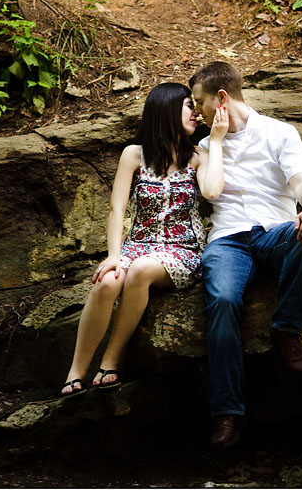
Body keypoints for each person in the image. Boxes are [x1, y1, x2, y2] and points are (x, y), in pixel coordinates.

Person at [60, 82, 228, 397]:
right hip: (137, 246)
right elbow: (116, 207)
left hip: (183, 251)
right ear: (166, 109)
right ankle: (76, 371)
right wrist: (113, 255)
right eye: (188, 106)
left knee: (139, 271)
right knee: (108, 281)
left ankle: (111, 361)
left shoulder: (198, 157)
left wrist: (216, 141)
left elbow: (212, 191)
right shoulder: (133, 155)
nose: (196, 113)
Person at [190, 62, 302, 449]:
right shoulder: (203, 146)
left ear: (221, 99)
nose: (195, 112)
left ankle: (287, 328)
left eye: (199, 103)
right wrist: (213, 142)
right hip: (228, 239)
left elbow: (301, 180)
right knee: (223, 300)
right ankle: (228, 412)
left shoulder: (280, 132)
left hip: (273, 232)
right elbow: (211, 193)